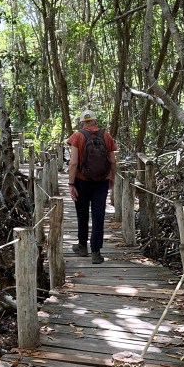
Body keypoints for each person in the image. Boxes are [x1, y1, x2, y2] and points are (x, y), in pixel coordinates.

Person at [67, 110, 117, 264]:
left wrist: (71, 184)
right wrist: (111, 177)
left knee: (82, 214)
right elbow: (113, 161)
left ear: (82, 122)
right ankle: (96, 252)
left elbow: (73, 163)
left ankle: (82, 246)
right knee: (98, 215)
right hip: (101, 182)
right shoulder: (106, 136)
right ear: (95, 121)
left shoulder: (77, 136)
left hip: (82, 181)